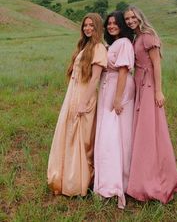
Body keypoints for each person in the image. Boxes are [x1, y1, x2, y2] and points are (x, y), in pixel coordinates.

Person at [124, 6, 177, 204]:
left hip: (149, 85)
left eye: (133, 17)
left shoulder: (148, 36)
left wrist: (158, 91)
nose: (130, 21)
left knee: (149, 132)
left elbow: (157, 64)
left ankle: (153, 181)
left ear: (140, 17)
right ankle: (140, 175)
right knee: (141, 130)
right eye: (127, 19)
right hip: (139, 84)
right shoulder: (136, 38)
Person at [47, 13, 107, 197]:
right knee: (69, 133)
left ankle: (79, 181)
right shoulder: (85, 45)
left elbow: (95, 78)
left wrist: (83, 102)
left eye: (92, 26)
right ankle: (65, 176)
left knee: (81, 137)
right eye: (85, 25)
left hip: (84, 96)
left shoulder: (98, 48)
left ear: (98, 28)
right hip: (73, 95)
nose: (88, 28)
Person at [94, 11, 135, 209]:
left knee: (114, 134)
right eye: (108, 23)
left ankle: (116, 183)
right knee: (108, 132)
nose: (111, 26)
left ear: (122, 25)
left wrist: (118, 98)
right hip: (107, 87)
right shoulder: (113, 44)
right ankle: (106, 178)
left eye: (115, 23)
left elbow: (123, 70)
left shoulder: (125, 43)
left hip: (118, 88)